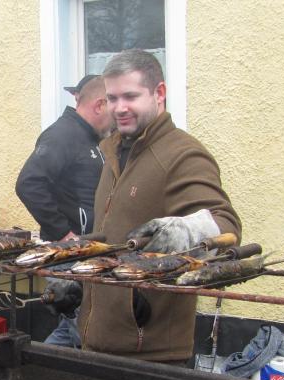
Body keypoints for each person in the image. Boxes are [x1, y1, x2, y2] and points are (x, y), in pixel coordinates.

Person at [77, 49, 242, 363]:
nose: (119, 108)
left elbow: (227, 227)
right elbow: (113, 237)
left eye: (130, 96)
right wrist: (76, 276)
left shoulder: (182, 154)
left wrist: (185, 229)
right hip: (97, 340)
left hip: (152, 353)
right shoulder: (113, 152)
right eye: (112, 99)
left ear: (159, 93)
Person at [16, 76, 114, 348]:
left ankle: (35, 374)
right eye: (114, 103)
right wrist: (64, 233)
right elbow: (28, 183)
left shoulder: (91, 140)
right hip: (67, 255)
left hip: (86, 252)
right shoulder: (62, 135)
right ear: (99, 105)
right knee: (84, 330)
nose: (117, 115)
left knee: (71, 331)